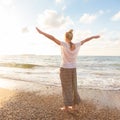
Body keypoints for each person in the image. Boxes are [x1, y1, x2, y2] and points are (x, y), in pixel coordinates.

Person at [36, 27, 100, 111]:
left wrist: (42, 33)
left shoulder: (64, 44)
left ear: (66, 37)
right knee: (74, 87)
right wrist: (94, 37)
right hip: (73, 69)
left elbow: (52, 38)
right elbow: (86, 40)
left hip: (65, 68)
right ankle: (73, 106)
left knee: (66, 88)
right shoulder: (77, 44)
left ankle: (66, 107)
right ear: (71, 37)